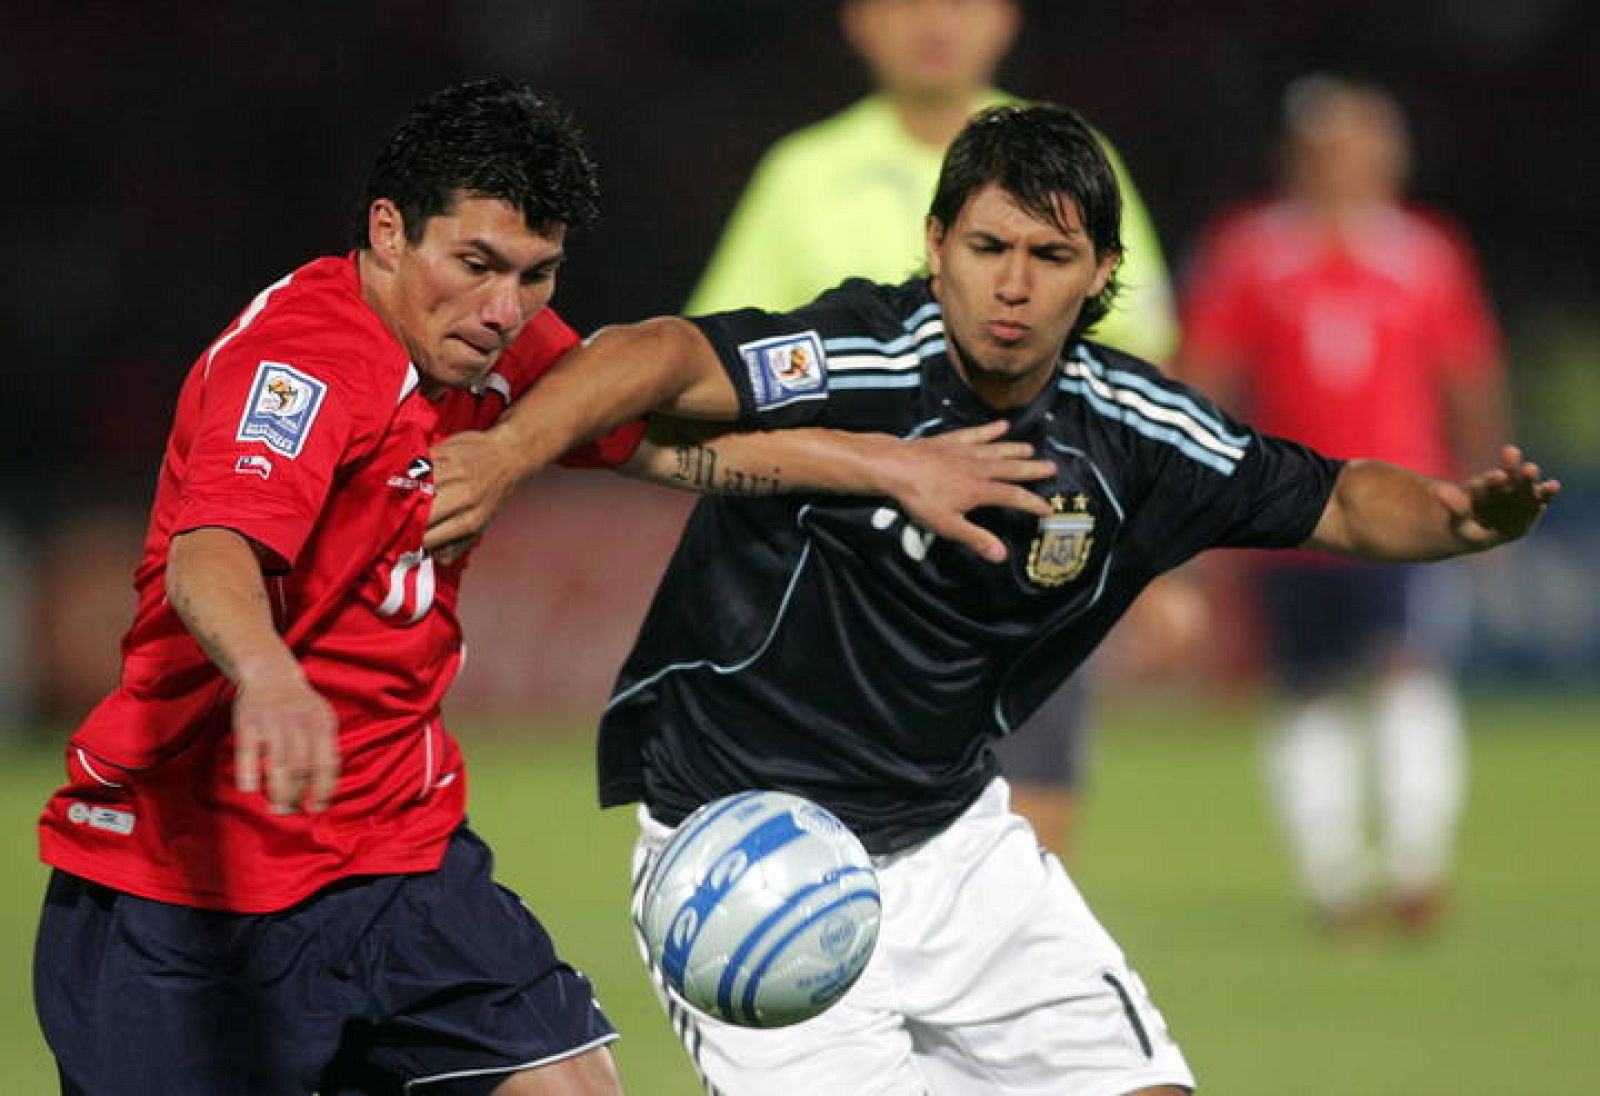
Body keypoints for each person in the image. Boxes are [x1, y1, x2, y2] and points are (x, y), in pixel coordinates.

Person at [425, 103, 1557, 1094]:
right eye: (986, 245)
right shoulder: (864, 353)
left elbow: (1341, 500)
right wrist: (510, 451)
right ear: (936, 245)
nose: (1011, 283)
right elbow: (660, 354)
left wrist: (1459, 520)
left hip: (952, 841)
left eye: (1050, 254)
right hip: (752, 842)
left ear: (1103, 271)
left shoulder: (1135, 432)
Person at [30, 79, 1052, 1096]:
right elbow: (214, 547)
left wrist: (883, 465)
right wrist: (267, 674)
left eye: (536, 274)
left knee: (570, 1085)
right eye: (475, 265)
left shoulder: (499, 348)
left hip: (395, 853)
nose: (502, 310)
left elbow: (663, 442)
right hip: (184, 879)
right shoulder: (301, 364)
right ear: (390, 232)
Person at [688, 0, 1188, 860]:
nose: (934, 21)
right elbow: (718, 371)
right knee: (844, 875)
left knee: (1026, 862)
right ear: (857, 22)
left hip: (1027, 573)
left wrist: (1161, 561)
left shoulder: (1075, 161)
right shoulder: (805, 175)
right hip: (841, 588)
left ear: (1004, 19)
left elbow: (1139, 369)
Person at [1176, 75, 1511, 936]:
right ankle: (1334, 878)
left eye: (1362, 146)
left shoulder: (1427, 252)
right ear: (1296, 156)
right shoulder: (1250, 250)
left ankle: (1414, 864)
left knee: (1407, 669)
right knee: (1306, 686)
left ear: (1391, 156)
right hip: (1292, 504)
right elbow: (1204, 373)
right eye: (1329, 148)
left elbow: (1468, 375)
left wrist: (1487, 485)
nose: (1346, 164)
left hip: (1410, 504)